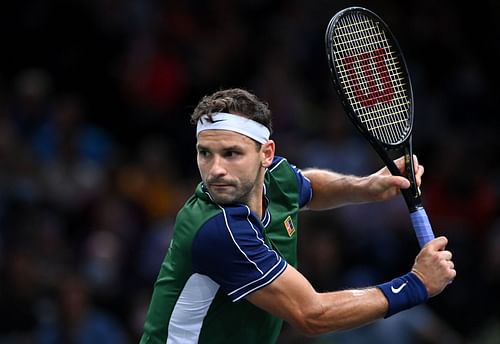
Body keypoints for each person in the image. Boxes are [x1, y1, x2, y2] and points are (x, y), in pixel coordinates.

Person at [140, 88, 456, 343]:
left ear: (266, 155)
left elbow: (307, 186)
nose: (216, 169)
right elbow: (311, 315)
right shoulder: (217, 230)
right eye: (204, 153)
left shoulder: (276, 178)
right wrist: (416, 284)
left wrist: (365, 187)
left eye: (232, 153)